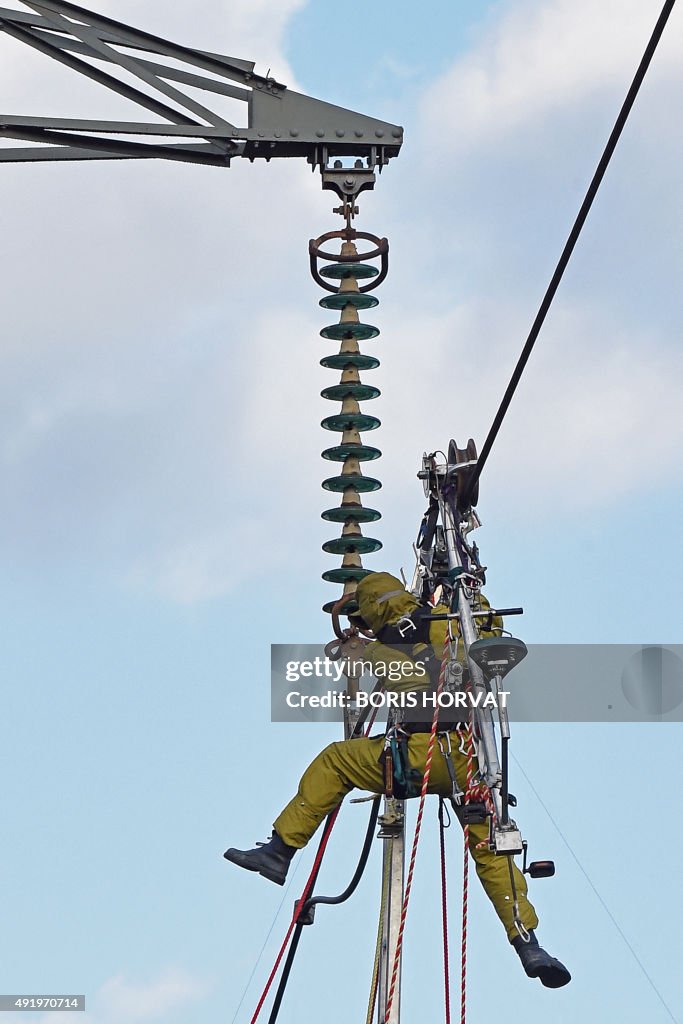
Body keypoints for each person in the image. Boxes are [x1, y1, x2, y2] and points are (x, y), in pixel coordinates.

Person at [224, 572, 571, 988]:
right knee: (492, 851)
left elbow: (385, 667)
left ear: (373, 609)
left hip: (415, 757)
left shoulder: (382, 648)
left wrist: (359, 644)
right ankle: (527, 942)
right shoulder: (455, 622)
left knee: (336, 761)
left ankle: (279, 852)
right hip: (467, 761)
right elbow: (488, 629)